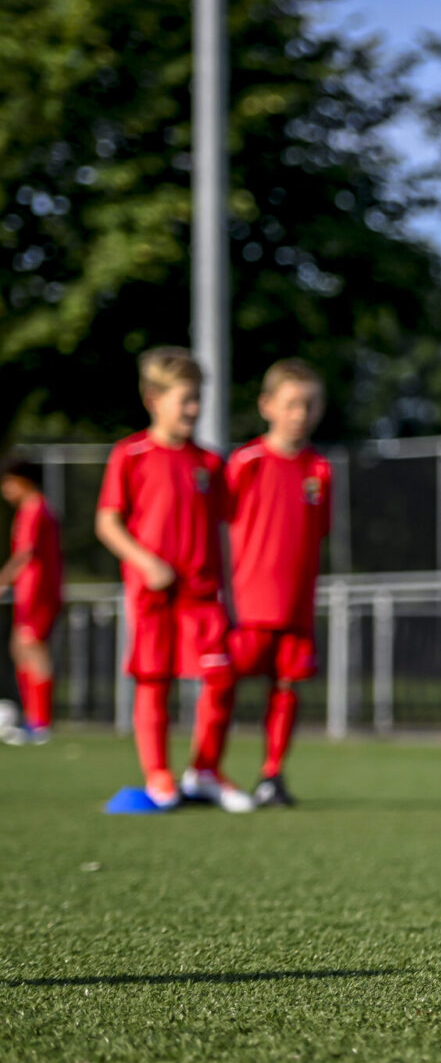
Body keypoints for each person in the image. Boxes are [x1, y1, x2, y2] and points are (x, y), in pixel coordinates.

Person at [95, 348, 247, 812]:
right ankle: (158, 774)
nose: (194, 409)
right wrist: (145, 562)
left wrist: (232, 591)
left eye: (198, 398)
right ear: (153, 399)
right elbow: (107, 522)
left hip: (202, 595)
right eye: (185, 399)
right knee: (154, 681)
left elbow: (224, 530)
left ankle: (204, 770)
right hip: (154, 594)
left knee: (221, 677)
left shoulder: (209, 463)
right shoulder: (131, 454)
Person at [225, 359, 334, 808]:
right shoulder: (245, 463)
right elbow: (219, 526)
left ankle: (272, 774)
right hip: (246, 603)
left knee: (287, 687)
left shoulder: (320, 470)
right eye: (291, 404)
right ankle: (205, 770)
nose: (299, 414)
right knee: (222, 683)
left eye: (308, 405)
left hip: (296, 603)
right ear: (267, 406)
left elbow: (318, 532)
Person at [0, 456, 63, 746]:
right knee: (20, 648)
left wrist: (3, 579)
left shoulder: (35, 508)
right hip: (29, 593)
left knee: (34, 650)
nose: (5, 490)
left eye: (8, 483)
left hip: (38, 593)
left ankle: (40, 723)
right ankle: (32, 718)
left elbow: (26, 553)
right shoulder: (32, 509)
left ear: (21, 480)